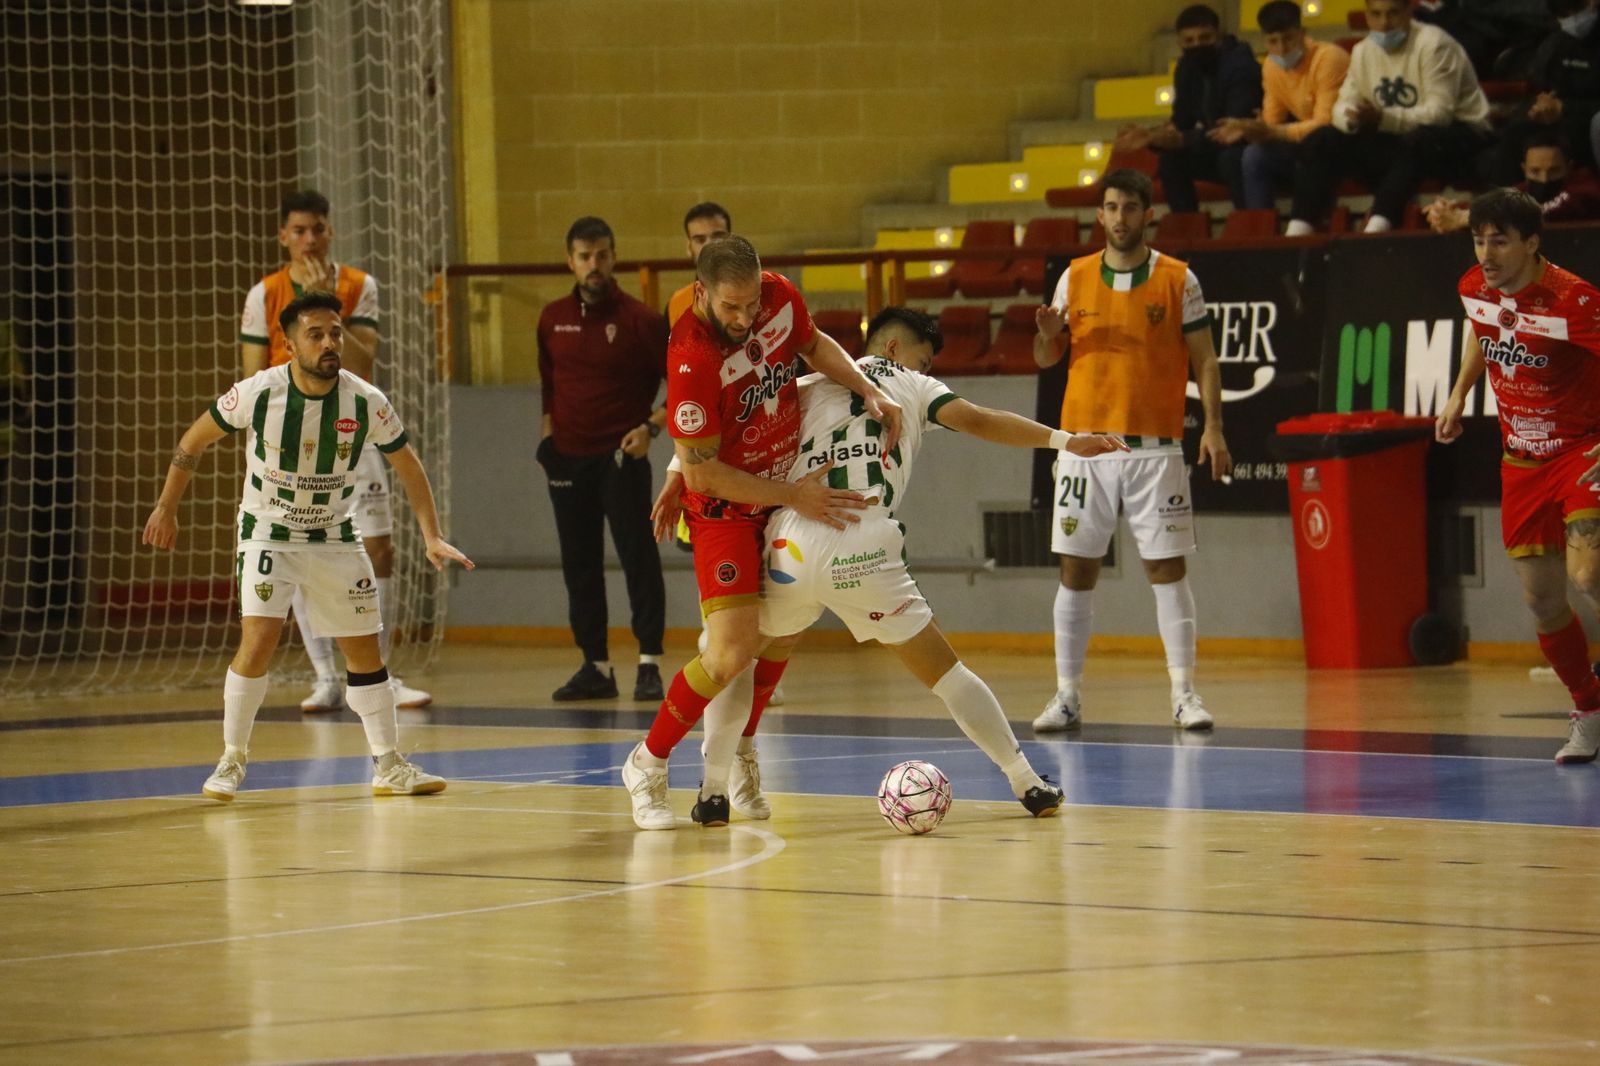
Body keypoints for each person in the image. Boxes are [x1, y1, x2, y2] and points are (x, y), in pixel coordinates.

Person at [660, 308, 1128, 827]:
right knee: (948, 674)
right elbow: (977, 419)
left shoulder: (805, 383)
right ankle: (1027, 782)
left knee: (737, 658)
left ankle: (712, 791)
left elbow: (725, 422)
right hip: (863, 543)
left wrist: (677, 474)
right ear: (893, 351)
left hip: (791, 534)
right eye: (924, 358)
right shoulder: (916, 386)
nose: (927, 367)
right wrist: (1066, 441)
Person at [618, 235, 903, 831]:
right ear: (701, 293)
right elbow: (704, 470)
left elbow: (814, 344)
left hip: (782, 488)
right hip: (727, 508)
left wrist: (867, 388)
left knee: (787, 629)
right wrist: (788, 495)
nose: (745, 318)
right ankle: (647, 762)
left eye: (751, 304)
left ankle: (743, 751)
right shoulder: (691, 358)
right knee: (729, 652)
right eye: (730, 308)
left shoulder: (777, 296)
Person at [144, 292, 474, 800]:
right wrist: (166, 507)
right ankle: (232, 759)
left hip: (335, 535)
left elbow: (408, 465)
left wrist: (431, 535)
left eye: (335, 333)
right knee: (259, 641)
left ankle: (388, 763)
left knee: (364, 649)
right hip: (268, 532)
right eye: (316, 334)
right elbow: (193, 442)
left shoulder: (366, 400)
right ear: (289, 343)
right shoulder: (258, 392)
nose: (329, 343)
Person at [1030, 168, 1232, 735]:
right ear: (1100, 215)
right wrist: (1048, 334)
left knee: (1167, 570)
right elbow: (1048, 358)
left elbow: (1206, 360)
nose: (1120, 217)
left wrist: (1213, 427)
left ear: (1149, 215)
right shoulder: (1073, 278)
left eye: (1130, 207)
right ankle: (1067, 695)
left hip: (1156, 448)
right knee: (1076, 571)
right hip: (1085, 449)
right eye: (1111, 207)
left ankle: (1184, 693)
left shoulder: (1179, 279)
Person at [239, 189, 432, 712]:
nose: (309, 239)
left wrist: (334, 308)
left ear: (330, 232)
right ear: (283, 236)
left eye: (318, 228)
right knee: (297, 545)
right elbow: (253, 374)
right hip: (289, 439)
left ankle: (378, 674)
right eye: (299, 230)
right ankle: (325, 676)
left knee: (379, 547)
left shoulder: (358, 286)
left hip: (352, 429)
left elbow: (364, 365)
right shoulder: (266, 294)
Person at [1436, 189, 1600, 764]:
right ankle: (1589, 709)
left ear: (1531, 243)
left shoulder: (1573, 300)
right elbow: (1483, 333)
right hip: (1521, 461)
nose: (1486, 252)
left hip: (1582, 450)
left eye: (1499, 241)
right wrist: (1458, 395)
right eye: (1479, 239)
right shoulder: (1472, 287)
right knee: (1542, 600)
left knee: (1589, 573)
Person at [536, 216, 670, 703]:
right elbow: (550, 386)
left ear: (614, 257)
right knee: (580, 564)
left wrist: (650, 428)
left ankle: (649, 663)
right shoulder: (551, 318)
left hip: (621, 458)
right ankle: (595, 664)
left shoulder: (641, 320)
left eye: (602, 255)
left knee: (638, 557)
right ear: (570, 261)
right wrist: (547, 442)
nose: (594, 265)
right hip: (567, 460)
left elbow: (684, 388)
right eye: (584, 256)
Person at [1284, 0, 1492, 236]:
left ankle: (1378, 228)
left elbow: (1439, 114)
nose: (1384, 23)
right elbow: (1341, 107)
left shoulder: (1434, 43)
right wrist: (1354, 119)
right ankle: (1298, 232)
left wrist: (1382, 118)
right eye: (1377, 15)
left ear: (1408, 12)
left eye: (1392, 14)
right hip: (1396, 136)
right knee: (1322, 139)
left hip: (1462, 135)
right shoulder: (1364, 51)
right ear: (1367, 16)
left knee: (1417, 141)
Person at [1115, 4, 1261, 213]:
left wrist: (1179, 138)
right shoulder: (1186, 68)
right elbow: (1182, 121)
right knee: (1171, 161)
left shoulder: (1241, 66)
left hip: (1244, 147)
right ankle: (1186, 232)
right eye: (1189, 41)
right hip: (1212, 147)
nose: (1197, 45)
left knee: (1232, 159)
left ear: (1219, 36)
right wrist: (1155, 135)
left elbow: (1233, 128)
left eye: (1204, 38)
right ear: (1179, 42)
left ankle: (1249, 224)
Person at [1210, 0, 1351, 211]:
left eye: (1288, 39)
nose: (1282, 48)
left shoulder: (1328, 58)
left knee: (1255, 155)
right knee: (1239, 156)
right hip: (1303, 141)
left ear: (1302, 32)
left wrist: (1271, 131)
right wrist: (1249, 130)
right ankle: (1257, 230)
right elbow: (1272, 122)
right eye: (1273, 41)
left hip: (1339, 143)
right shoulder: (1271, 65)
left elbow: (1325, 123)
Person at [1480, 0, 1600, 184]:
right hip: (1557, 117)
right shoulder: (1556, 43)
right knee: (1516, 130)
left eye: (1574, 10)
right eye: (1563, 13)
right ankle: (1503, 201)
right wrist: (1539, 107)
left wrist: (1566, 108)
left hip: (1589, 118)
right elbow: (1540, 87)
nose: (1570, 19)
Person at [1427, 130, 1600, 230]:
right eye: (1535, 171)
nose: (1544, 178)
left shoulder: (1585, 187)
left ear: (1569, 168)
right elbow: (1493, 204)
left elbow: (1549, 211)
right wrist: (1446, 212)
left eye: (1554, 170)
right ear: (1524, 169)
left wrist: (1472, 217)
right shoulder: (1521, 191)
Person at [666, 202, 732, 326]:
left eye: (718, 237)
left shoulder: (758, 291)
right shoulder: (676, 304)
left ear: (732, 241)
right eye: (700, 240)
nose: (709, 246)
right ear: (689, 247)